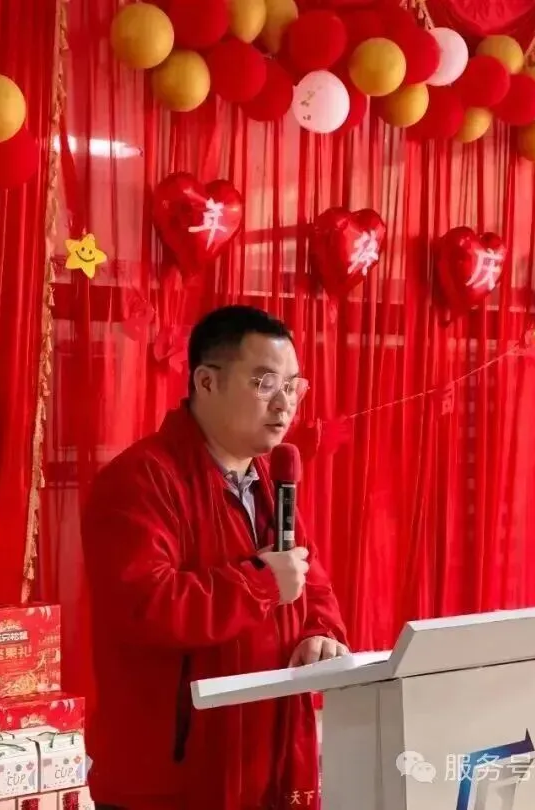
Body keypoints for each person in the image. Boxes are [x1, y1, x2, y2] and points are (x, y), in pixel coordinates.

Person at [81, 305, 349, 810]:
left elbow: (310, 582)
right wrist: (261, 584)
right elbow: (147, 605)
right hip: (175, 776)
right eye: (265, 382)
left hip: (268, 759)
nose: (284, 403)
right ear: (207, 381)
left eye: (293, 386)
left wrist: (320, 632)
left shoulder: (272, 482)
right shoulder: (139, 480)